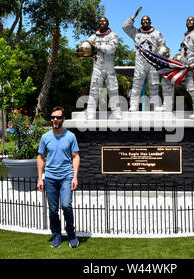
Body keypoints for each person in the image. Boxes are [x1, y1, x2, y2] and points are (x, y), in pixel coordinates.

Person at [37, 106, 80, 248]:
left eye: (58, 117)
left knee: (66, 205)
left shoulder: (70, 136)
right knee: (53, 209)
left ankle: (71, 234)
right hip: (50, 178)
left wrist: (75, 177)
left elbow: (75, 156)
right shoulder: (45, 137)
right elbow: (40, 157)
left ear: (63, 119)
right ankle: (56, 235)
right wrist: (39, 178)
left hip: (66, 177)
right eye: (53, 117)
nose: (55, 120)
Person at [123, 7, 171, 112]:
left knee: (153, 85)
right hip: (140, 61)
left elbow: (163, 47)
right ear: (140, 22)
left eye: (147, 20)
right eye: (143, 20)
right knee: (137, 84)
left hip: (152, 62)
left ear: (150, 22)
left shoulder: (157, 33)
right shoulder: (135, 32)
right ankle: (134, 106)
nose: (145, 21)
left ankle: (156, 106)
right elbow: (125, 27)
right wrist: (133, 16)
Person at [80, 17, 122, 120]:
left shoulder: (113, 36)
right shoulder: (93, 37)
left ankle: (116, 112)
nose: (101, 22)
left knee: (113, 90)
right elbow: (86, 47)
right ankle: (91, 113)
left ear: (108, 23)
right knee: (94, 91)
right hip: (97, 67)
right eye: (100, 21)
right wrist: (82, 52)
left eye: (104, 21)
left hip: (109, 67)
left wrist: (96, 46)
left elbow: (111, 49)